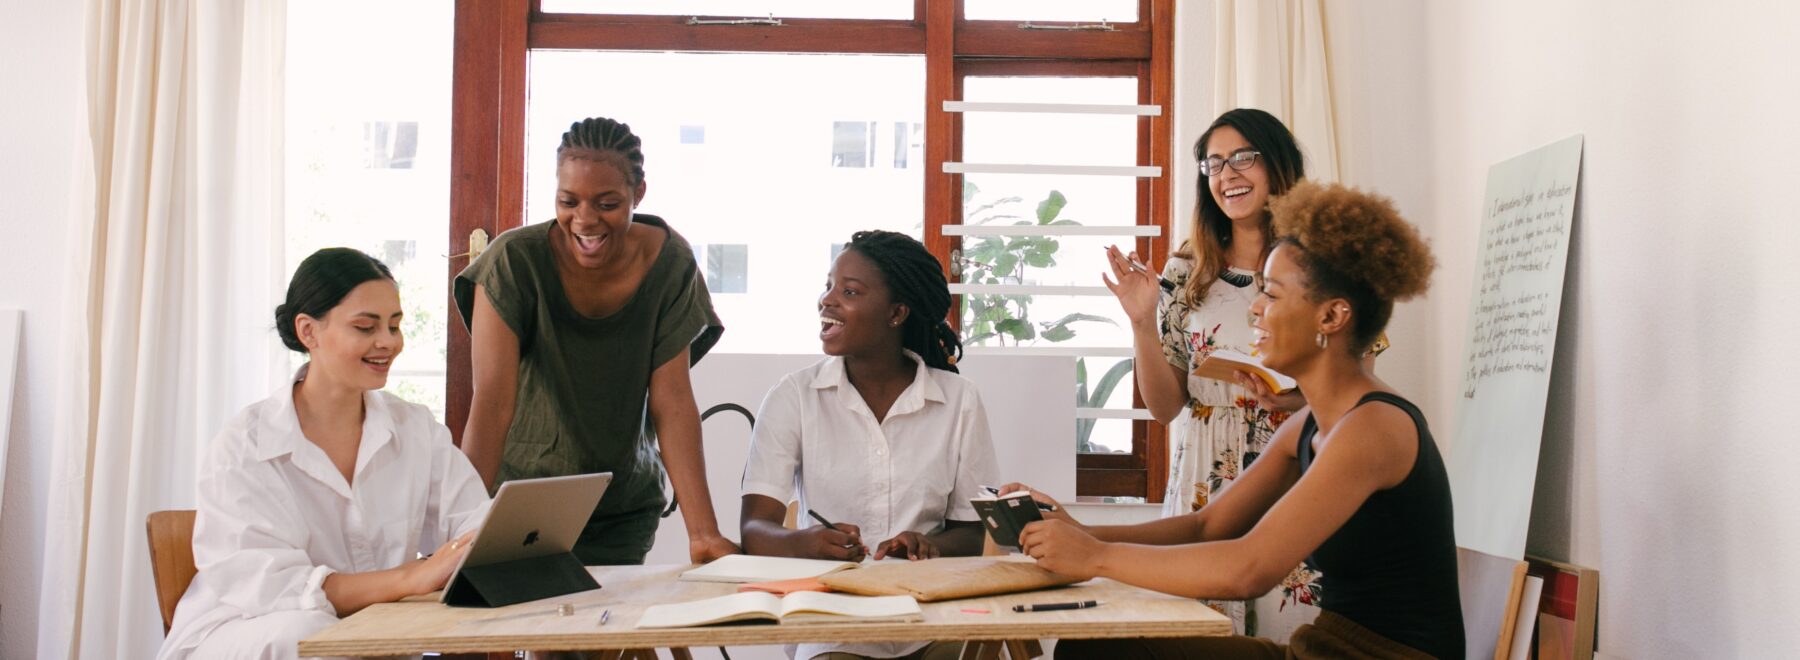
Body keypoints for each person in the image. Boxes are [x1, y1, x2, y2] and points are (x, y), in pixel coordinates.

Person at [1012, 182, 1461, 659]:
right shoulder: (1308, 424)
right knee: (1097, 652)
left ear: (1331, 316)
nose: (1255, 308)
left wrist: (1096, 557)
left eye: (1271, 294)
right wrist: (1079, 531)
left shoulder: (1373, 429)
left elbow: (1250, 570)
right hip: (1321, 650)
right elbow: (1207, 527)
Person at [158, 248, 490, 660]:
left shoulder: (416, 429)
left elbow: (477, 527)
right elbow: (275, 591)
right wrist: (411, 576)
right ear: (309, 332)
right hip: (247, 633)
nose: (388, 342)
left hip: (367, 636)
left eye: (394, 325)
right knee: (311, 632)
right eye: (365, 327)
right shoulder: (245, 444)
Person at [456, 117, 737, 565]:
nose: (584, 220)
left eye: (607, 203)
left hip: (621, 502)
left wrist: (703, 533)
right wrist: (463, 526)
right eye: (568, 201)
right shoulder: (512, 261)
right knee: (504, 629)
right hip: (519, 500)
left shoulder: (671, 263)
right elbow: (492, 404)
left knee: (605, 631)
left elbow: (673, 401)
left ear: (638, 194)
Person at [1102, 107, 1331, 635]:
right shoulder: (1188, 269)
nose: (1227, 174)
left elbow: (1357, 382)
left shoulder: (1324, 263)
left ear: (1278, 166)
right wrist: (1141, 322)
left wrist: (1293, 403)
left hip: (1294, 461)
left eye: (1243, 158)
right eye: (1214, 164)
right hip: (1204, 472)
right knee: (1200, 636)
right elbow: (1165, 408)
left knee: (1289, 630)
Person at [739, 230, 999, 660]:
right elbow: (754, 530)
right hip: (834, 621)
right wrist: (806, 542)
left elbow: (970, 534)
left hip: (933, 618)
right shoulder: (794, 397)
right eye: (828, 287)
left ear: (896, 312)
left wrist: (925, 543)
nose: (827, 300)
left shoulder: (959, 400)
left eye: (850, 291)